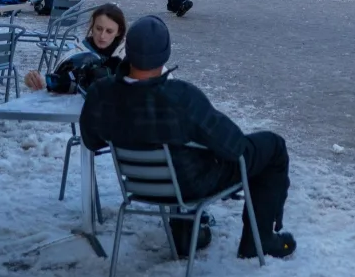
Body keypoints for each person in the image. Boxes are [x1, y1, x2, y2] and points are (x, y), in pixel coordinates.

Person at [79, 15, 296, 260]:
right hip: (191, 185)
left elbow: (91, 141)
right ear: (165, 53)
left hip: (140, 186)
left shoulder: (101, 93)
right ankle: (260, 241)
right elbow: (234, 147)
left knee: (180, 152)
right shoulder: (181, 96)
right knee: (272, 147)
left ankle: (185, 232)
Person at [25, 3, 126, 92]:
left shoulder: (128, 57)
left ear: (119, 32)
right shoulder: (77, 53)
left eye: (109, 31)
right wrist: (36, 80)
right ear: (92, 27)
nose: (102, 36)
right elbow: (54, 84)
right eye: (99, 29)